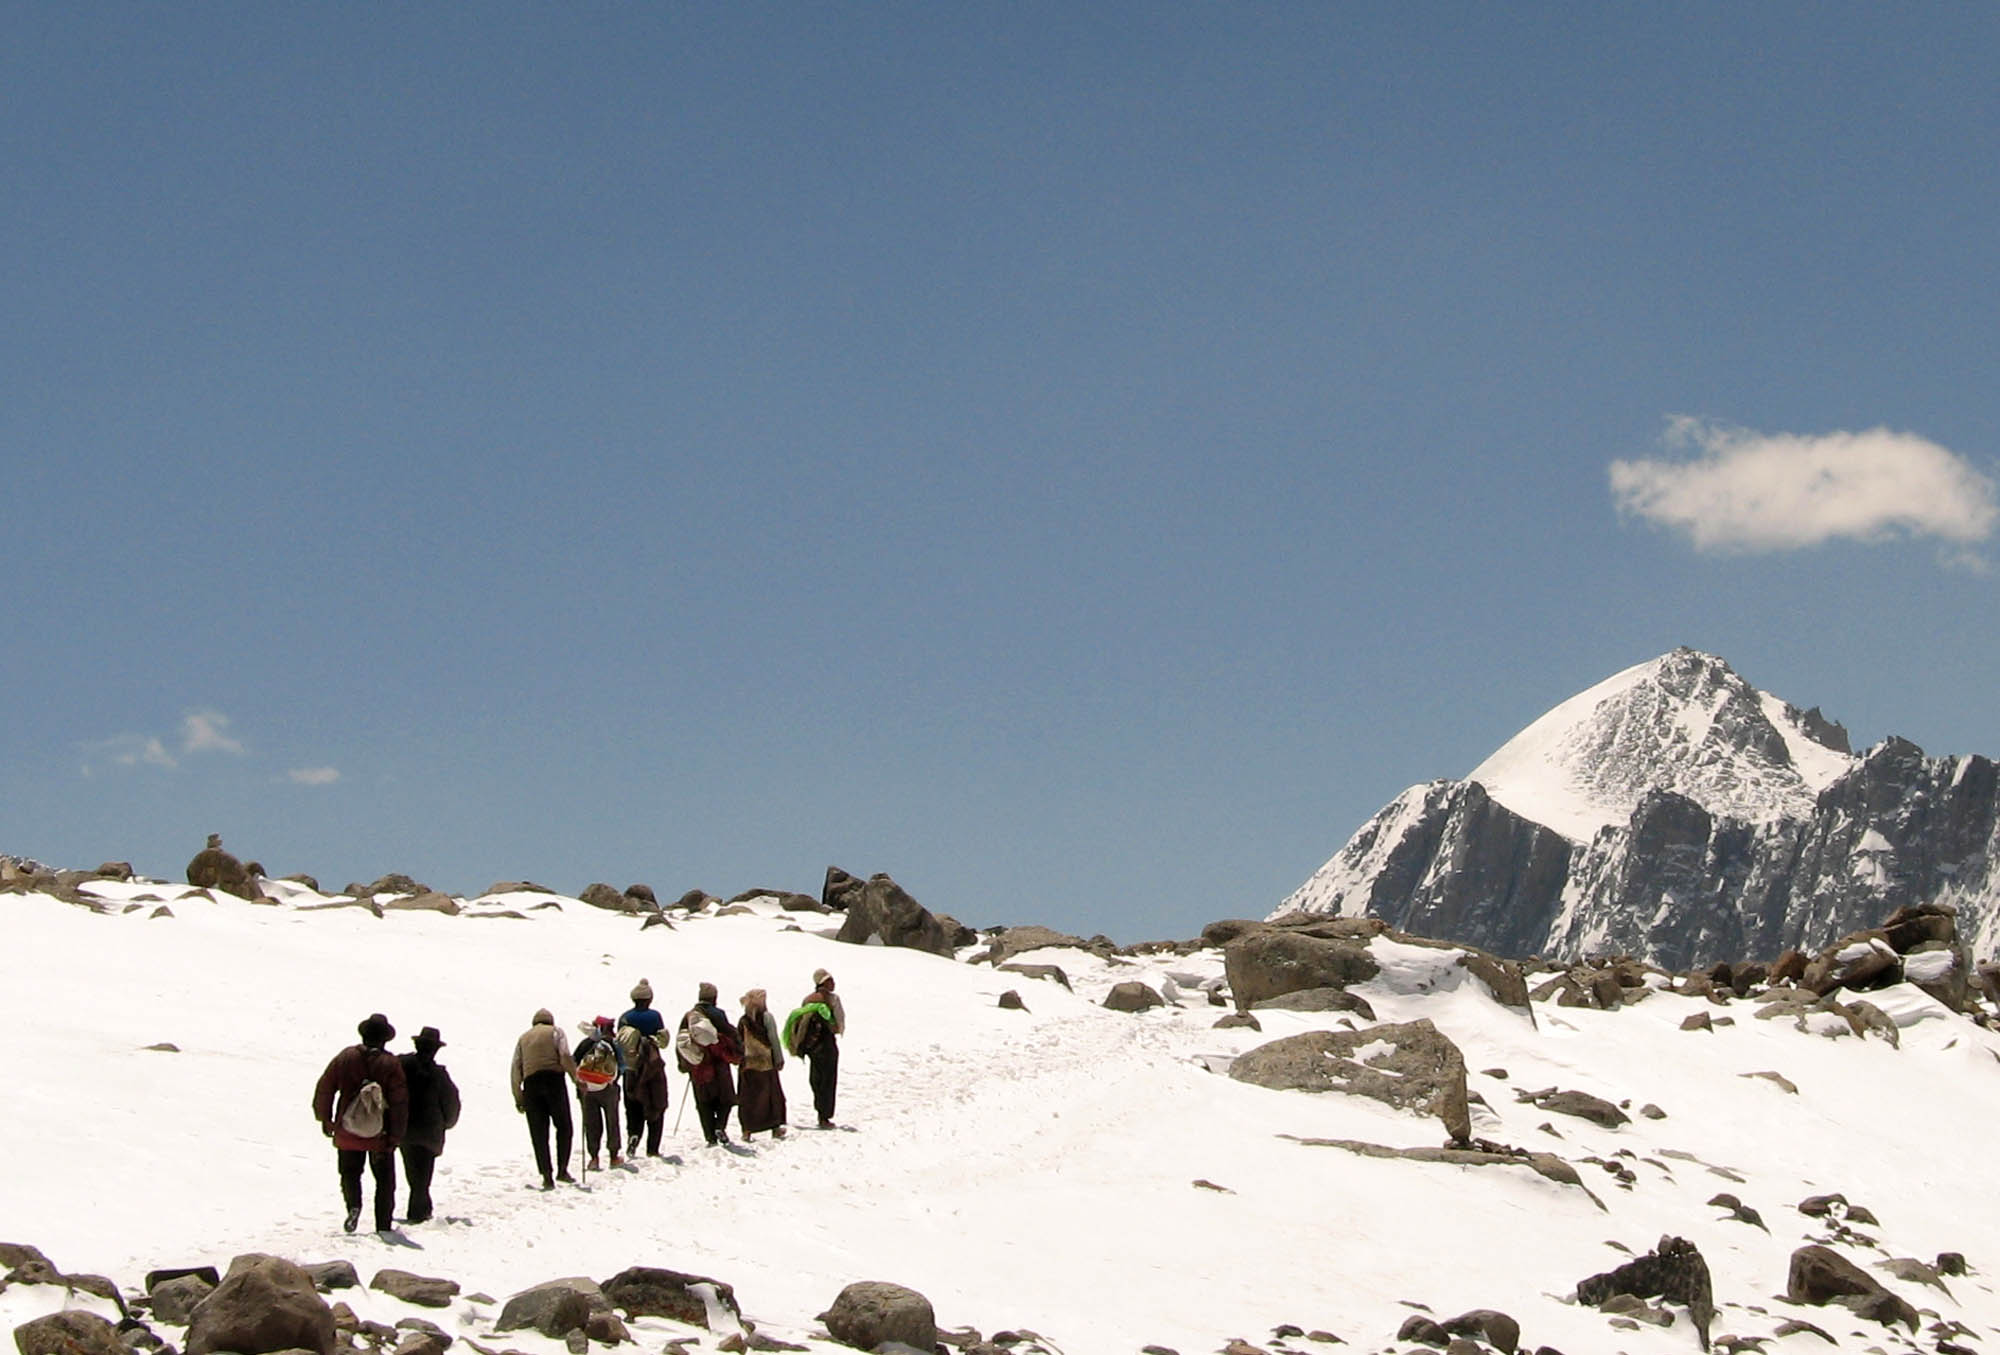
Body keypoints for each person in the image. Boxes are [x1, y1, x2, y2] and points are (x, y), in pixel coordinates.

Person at [312, 1013, 410, 1234]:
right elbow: (399, 1102)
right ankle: (383, 1224)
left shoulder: (346, 1057)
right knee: (385, 1182)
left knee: (350, 1174)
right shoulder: (390, 1063)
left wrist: (325, 1119)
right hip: (379, 1136)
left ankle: (353, 1206)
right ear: (385, 1039)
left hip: (348, 1131)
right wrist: (395, 1135)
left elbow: (325, 1088)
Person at [397, 1026, 461, 1224]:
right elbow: (451, 1103)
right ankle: (419, 1210)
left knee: (412, 1169)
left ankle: (420, 1208)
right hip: (429, 1132)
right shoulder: (439, 1074)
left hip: (404, 1129)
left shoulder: (401, 1065)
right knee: (424, 1173)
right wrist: (446, 1123)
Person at [511, 1008, 578, 1190]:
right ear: (550, 1021)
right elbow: (564, 1055)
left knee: (539, 1133)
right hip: (554, 1081)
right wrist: (576, 1080)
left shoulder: (523, 1038)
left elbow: (516, 1069)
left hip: (531, 1085)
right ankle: (562, 1170)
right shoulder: (556, 1031)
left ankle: (547, 1176)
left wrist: (519, 1097)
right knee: (564, 1126)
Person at [675, 981, 739, 1146]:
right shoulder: (718, 1014)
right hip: (719, 1064)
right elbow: (731, 1035)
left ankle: (710, 1136)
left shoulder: (689, 1016)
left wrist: (684, 1064)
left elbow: (681, 1040)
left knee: (703, 1102)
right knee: (726, 1099)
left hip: (698, 1064)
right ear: (714, 998)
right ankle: (720, 1126)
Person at [617, 981, 671, 1157]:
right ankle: (652, 1148)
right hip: (652, 1067)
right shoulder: (655, 1016)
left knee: (632, 1105)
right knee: (656, 1103)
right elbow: (662, 1041)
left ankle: (634, 1135)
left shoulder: (625, 1018)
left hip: (630, 1068)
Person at [792, 969, 845, 1129]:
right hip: (827, 1045)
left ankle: (819, 1109)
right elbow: (839, 1023)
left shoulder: (808, 1000)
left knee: (816, 1077)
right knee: (828, 1080)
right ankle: (824, 1115)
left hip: (812, 1047)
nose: (834, 983)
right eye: (831, 980)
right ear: (824, 982)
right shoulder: (833, 999)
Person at [573, 1015, 625, 1171]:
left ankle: (594, 1158)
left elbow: (574, 1063)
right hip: (608, 1088)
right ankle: (614, 1157)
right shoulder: (612, 1044)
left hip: (587, 1091)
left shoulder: (585, 1044)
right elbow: (622, 1066)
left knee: (591, 1123)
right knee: (612, 1121)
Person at [735, 988, 788, 1139]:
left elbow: (739, 1041)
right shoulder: (767, 1017)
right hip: (766, 1063)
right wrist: (778, 1059)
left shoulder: (743, 1020)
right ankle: (775, 1127)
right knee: (771, 1096)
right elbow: (773, 1039)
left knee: (748, 1098)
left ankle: (747, 1130)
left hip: (748, 1064)